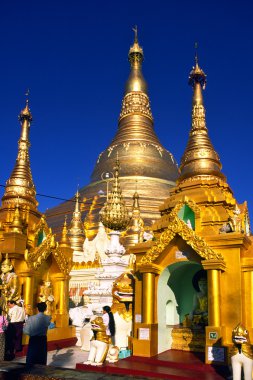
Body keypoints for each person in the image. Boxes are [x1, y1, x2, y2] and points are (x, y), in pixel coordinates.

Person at [23, 302, 51, 366]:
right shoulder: (48, 318)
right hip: (42, 339)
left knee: (31, 357)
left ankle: (29, 371)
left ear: (37, 309)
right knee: (41, 357)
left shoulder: (31, 318)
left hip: (33, 339)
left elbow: (25, 331)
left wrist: (32, 333)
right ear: (46, 309)